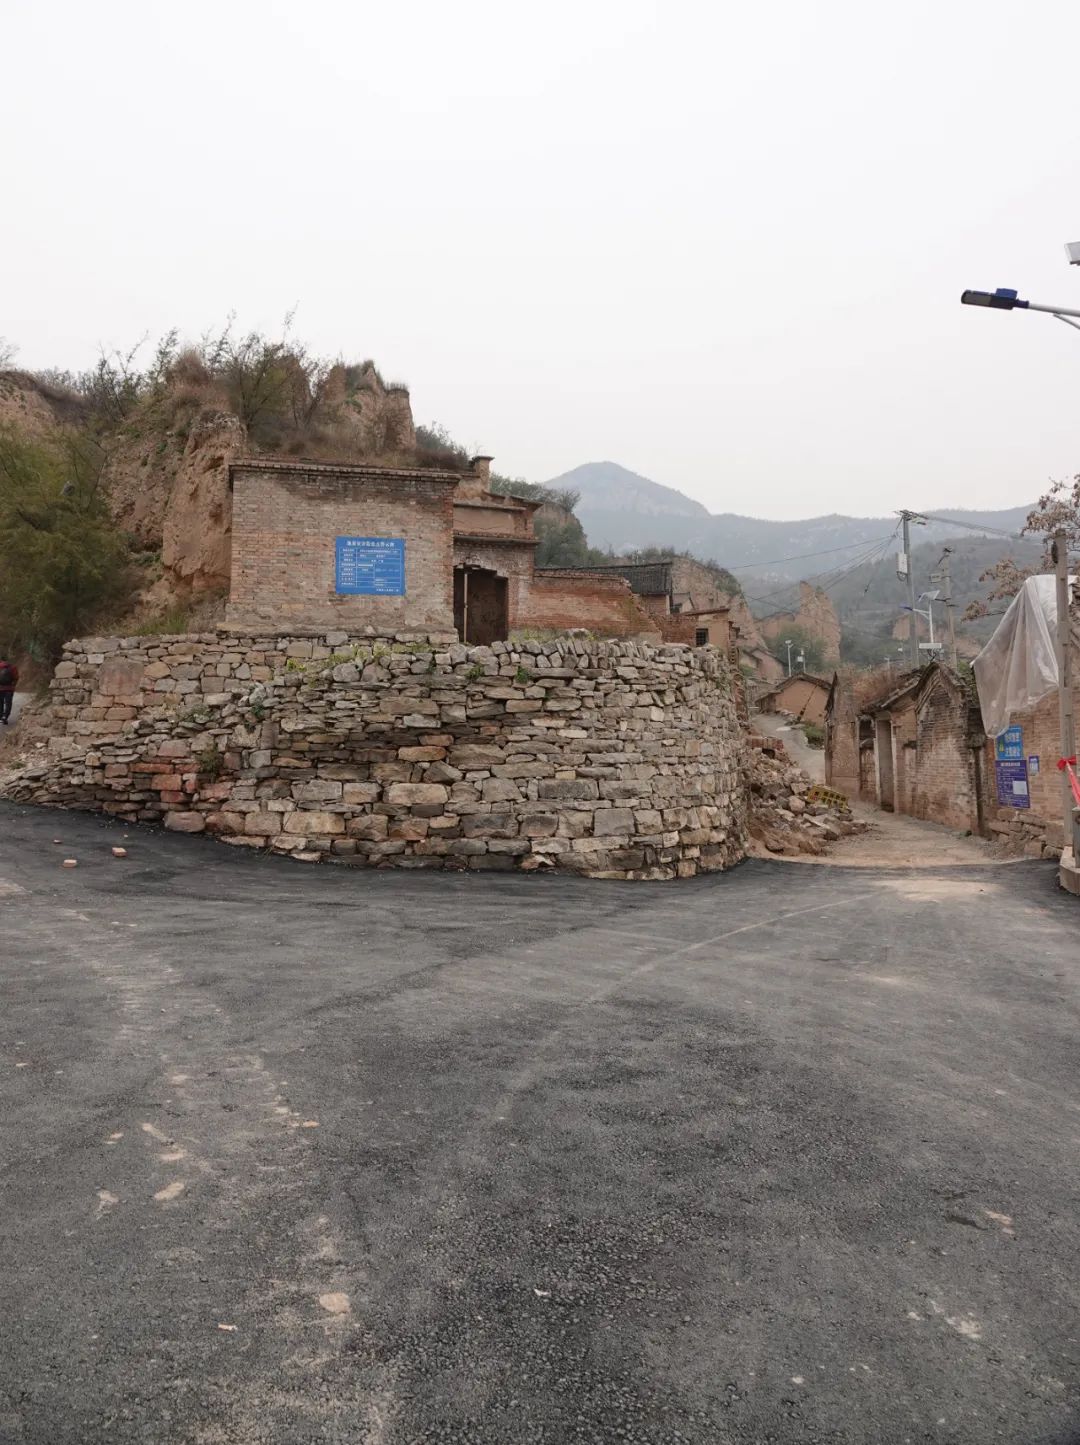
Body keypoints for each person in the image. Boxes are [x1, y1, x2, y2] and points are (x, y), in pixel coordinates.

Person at [0, 656, 18, 724]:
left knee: (0, 702)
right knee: (8, 703)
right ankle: (5, 716)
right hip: (9, 688)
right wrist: (13, 685)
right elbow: (16, 677)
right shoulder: (12, 667)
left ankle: (0, 716)